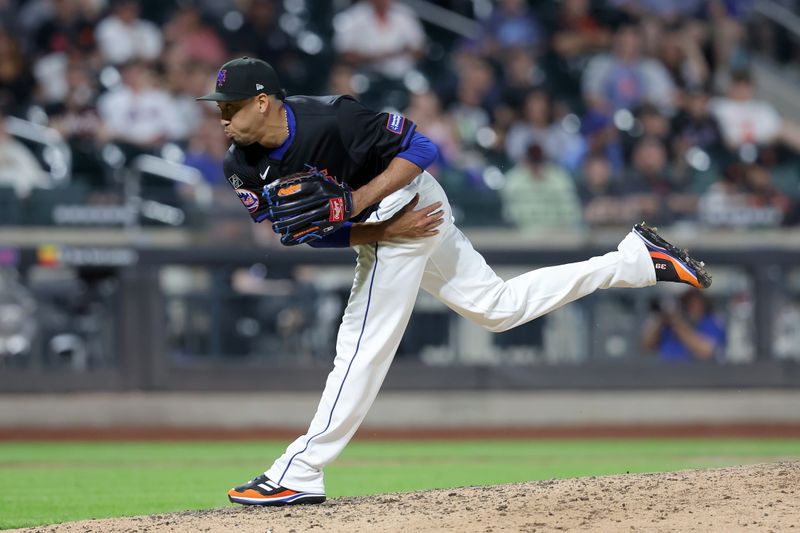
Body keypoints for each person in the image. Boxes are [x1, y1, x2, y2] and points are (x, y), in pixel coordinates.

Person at [198, 57, 711, 506]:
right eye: (220, 107)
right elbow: (301, 234)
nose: (222, 117)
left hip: (410, 201)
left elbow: (422, 148)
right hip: (389, 225)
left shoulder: (333, 116)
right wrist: (376, 229)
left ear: (263, 102)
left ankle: (299, 472)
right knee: (497, 307)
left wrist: (361, 206)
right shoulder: (240, 165)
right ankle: (636, 260)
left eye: (231, 106)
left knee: (361, 345)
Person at [641, 288, 725, 362]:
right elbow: (646, 347)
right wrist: (660, 319)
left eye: (697, 302)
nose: (693, 305)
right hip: (665, 371)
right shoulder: (667, 323)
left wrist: (678, 323)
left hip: (695, 373)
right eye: (688, 301)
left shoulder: (711, 321)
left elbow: (707, 352)